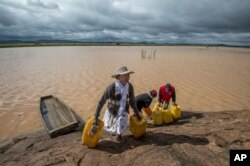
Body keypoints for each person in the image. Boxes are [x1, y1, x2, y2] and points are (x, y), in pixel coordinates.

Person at [90, 66, 141, 142]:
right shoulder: (111, 88)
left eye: (128, 75)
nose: (127, 77)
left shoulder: (129, 87)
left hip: (123, 109)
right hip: (112, 110)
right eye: (124, 75)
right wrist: (96, 119)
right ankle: (115, 131)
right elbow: (101, 102)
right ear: (118, 77)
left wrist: (137, 114)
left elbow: (132, 101)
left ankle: (119, 135)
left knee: (121, 122)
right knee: (108, 126)